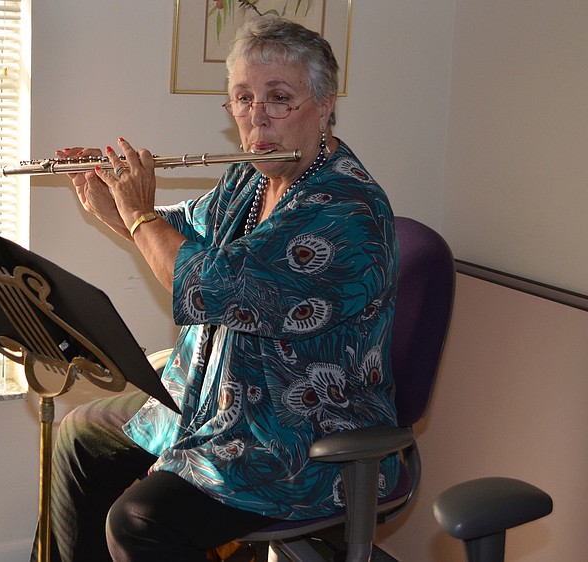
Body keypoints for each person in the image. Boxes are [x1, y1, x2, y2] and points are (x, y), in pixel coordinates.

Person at [42, 15, 399, 562]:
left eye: (279, 97)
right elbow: (184, 234)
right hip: (215, 402)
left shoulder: (343, 212)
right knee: (80, 439)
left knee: (141, 524)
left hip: (298, 437)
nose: (257, 117)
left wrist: (137, 213)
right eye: (242, 98)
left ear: (324, 104)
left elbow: (205, 283)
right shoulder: (251, 177)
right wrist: (112, 203)